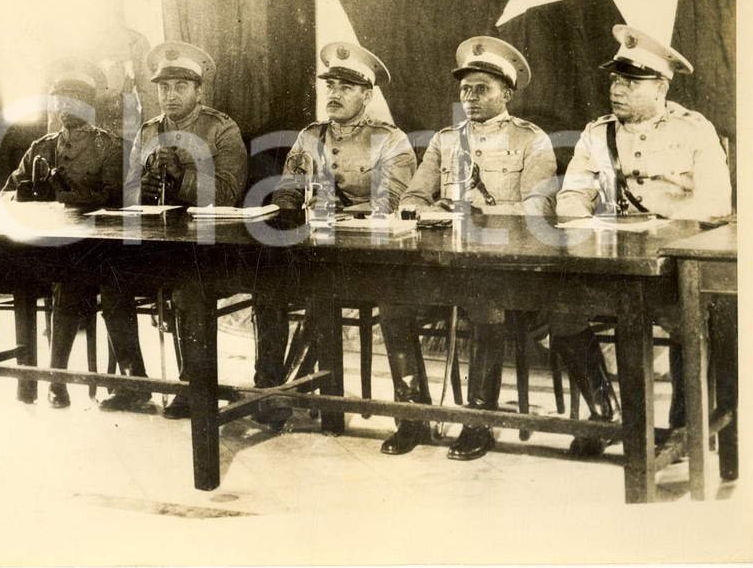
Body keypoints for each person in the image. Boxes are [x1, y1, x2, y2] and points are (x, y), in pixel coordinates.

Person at [555, 24, 731, 456]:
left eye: (631, 82)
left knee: (688, 321)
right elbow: (571, 196)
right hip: (613, 262)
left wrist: (659, 226)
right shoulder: (597, 133)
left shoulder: (694, 130)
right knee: (559, 312)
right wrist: (583, 220)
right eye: (615, 80)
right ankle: (606, 415)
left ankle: (683, 429)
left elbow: (715, 204)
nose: (617, 89)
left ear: (661, 87)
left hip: (674, 266)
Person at [380, 37, 558, 459]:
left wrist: (481, 212)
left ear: (506, 93)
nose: (470, 97)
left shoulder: (532, 140)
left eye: (482, 89)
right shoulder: (445, 140)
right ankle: (413, 416)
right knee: (393, 303)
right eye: (465, 89)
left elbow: (540, 211)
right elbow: (413, 196)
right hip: (443, 266)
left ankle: (479, 422)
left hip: (504, 270)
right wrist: (425, 209)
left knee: (484, 300)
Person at [264, 41, 417, 424]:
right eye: (330, 86)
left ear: (367, 95)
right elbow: (287, 189)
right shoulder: (310, 136)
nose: (334, 94)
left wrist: (339, 213)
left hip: (369, 256)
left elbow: (391, 202)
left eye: (346, 87)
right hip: (315, 250)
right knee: (266, 286)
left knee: (322, 294)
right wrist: (287, 210)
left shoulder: (391, 140)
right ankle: (268, 387)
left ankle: (291, 392)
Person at [0, 60, 149, 410]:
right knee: (64, 277)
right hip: (50, 251)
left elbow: (115, 200)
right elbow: (5, 194)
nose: (66, 108)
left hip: (103, 252)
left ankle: (111, 381)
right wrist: (22, 196)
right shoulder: (41, 147)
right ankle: (56, 381)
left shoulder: (111, 148)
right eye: (60, 100)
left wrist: (62, 193)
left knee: (79, 283)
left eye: (75, 100)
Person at [110, 41, 248, 420]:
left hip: (208, 250)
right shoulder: (148, 131)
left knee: (189, 287)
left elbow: (229, 193)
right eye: (164, 87)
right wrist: (142, 190)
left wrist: (181, 177)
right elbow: (128, 192)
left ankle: (192, 385)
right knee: (112, 281)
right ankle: (132, 382)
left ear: (199, 91)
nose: (170, 95)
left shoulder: (221, 128)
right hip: (159, 245)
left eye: (181, 87)